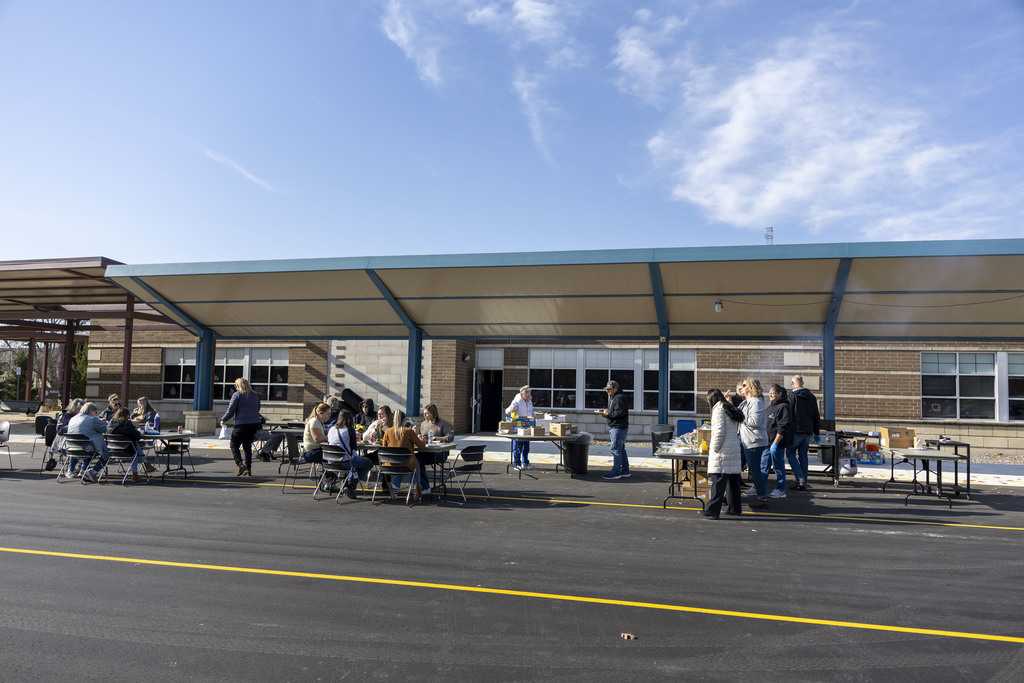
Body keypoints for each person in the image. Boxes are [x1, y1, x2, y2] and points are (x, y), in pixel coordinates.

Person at [701, 388, 745, 519]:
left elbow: (719, 432)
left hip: (723, 450)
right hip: (733, 447)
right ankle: (735, 508)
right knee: (732, 482)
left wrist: (714, 449)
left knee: (718, 480)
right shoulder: (727, 406)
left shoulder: (718, 409)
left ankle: (712, 510)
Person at [738, 378, 770, 508]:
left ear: (750, 388)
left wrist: (740, 416)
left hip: (754, 441)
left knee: (755, 470)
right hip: (744, 440)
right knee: (737, 467)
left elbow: (755, 422)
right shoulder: (746, 402)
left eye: (744, 385)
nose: (742, 387)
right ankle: (727, 494)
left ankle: (762, 498)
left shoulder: (756, 402)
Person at [382, 409, 426, 502]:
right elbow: (421, 446)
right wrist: (418, 436)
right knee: (415, 462)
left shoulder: (388, 432)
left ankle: (394, 486)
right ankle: (415, 486)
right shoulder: (408, 431)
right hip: (407, 465)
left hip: (391, 465)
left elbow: (384, 448)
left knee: (399, 461)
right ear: (404, 420)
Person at [327, 409, 373, 499]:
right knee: (368, 463)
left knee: (356, 465)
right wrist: (352, 456)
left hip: (331, 461)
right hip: (344, 461)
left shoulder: (331, 429)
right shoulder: (349, 429)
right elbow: (353, 447)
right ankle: (350, 484)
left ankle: (348, 481)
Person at [220, 377, 262, 476]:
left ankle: (240, 465)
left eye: (236, 385)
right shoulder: (255, 395)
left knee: (234, 445)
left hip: (241, 424)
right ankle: (248, 468)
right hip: (254, 424)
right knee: (247, 445)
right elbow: (258, 408)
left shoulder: (237, 395)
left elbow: (231, 410)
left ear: (239, 385)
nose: (235, 387)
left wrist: (223, 419)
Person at [786, 375, 820, 490]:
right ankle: (803, 481)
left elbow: (788, 414)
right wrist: (817, 432)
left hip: (795, 431)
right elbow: (816, 415)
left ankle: (800, 479)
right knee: (803, 456)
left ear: (793, 384)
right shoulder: (811, 397)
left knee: (790, 454)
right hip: (808, 431)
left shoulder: (792, 396)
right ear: (803, 383)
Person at [107, 407, 156, 482]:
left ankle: (146, 465)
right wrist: (139, 431)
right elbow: (137, 436)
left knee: (134, 446)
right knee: (134, 449)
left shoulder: (110, 423)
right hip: (126, 450)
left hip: (112, 450)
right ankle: (137, 472)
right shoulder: (127, 424)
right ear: (127, 415)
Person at [763, 383, 793, 499]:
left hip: (776, 445)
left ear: (780, 394)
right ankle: (759, 487)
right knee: (763, 467)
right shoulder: (771, 406)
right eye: (769, 393)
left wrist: (775, 443)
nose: (770, 395)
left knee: (778, 467)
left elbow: (782, 427)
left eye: (773, 393)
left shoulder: (783, 407)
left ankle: (781, 489)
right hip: (767, 443)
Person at [66, 402, 108, 482]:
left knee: (88, 446)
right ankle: (93, 471)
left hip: (72, 448)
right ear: (90, 411)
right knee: (106, 452)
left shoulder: (73, 418)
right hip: (87, 449)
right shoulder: (92, 419)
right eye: (95, 412)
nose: (96, 414)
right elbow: (106, 428)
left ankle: (82, 471)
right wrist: (104, 422)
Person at [600, 380, 630, 480]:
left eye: (609, 389)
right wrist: (607, 415)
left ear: (615, 388)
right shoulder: (616, 397)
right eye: (606, 389)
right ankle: (625, 470)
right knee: (621, 450)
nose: (607, 391)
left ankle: (615, 472)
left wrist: (608, 414)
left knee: (616, 450)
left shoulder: (618, 398)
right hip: (620, 427)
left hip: (617, 428)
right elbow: (618, 412)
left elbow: (620, 412)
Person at [301, 403, 332, 490]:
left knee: (333, 457)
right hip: (311, 452)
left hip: (315, 450)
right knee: (333, 458)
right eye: (328, 413)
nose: (329, 415)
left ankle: (328, 479)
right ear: (321, 413)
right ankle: (326, 479)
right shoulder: (314, 421)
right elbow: (317, 438)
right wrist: (330, 436)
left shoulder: (318, 421)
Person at [504, 385, 534, 470]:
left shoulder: (529, 400)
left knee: (526, 445)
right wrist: (512, 409)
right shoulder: (517, 400)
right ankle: (517, 463)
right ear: (522, 394)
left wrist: (535, 414)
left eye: (529, 395)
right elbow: (508, 410)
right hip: (518, 425)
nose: (528, 397)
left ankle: (525, 462)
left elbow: (530, 411)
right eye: (527, 395)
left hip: (527, 424)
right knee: (518, 445)